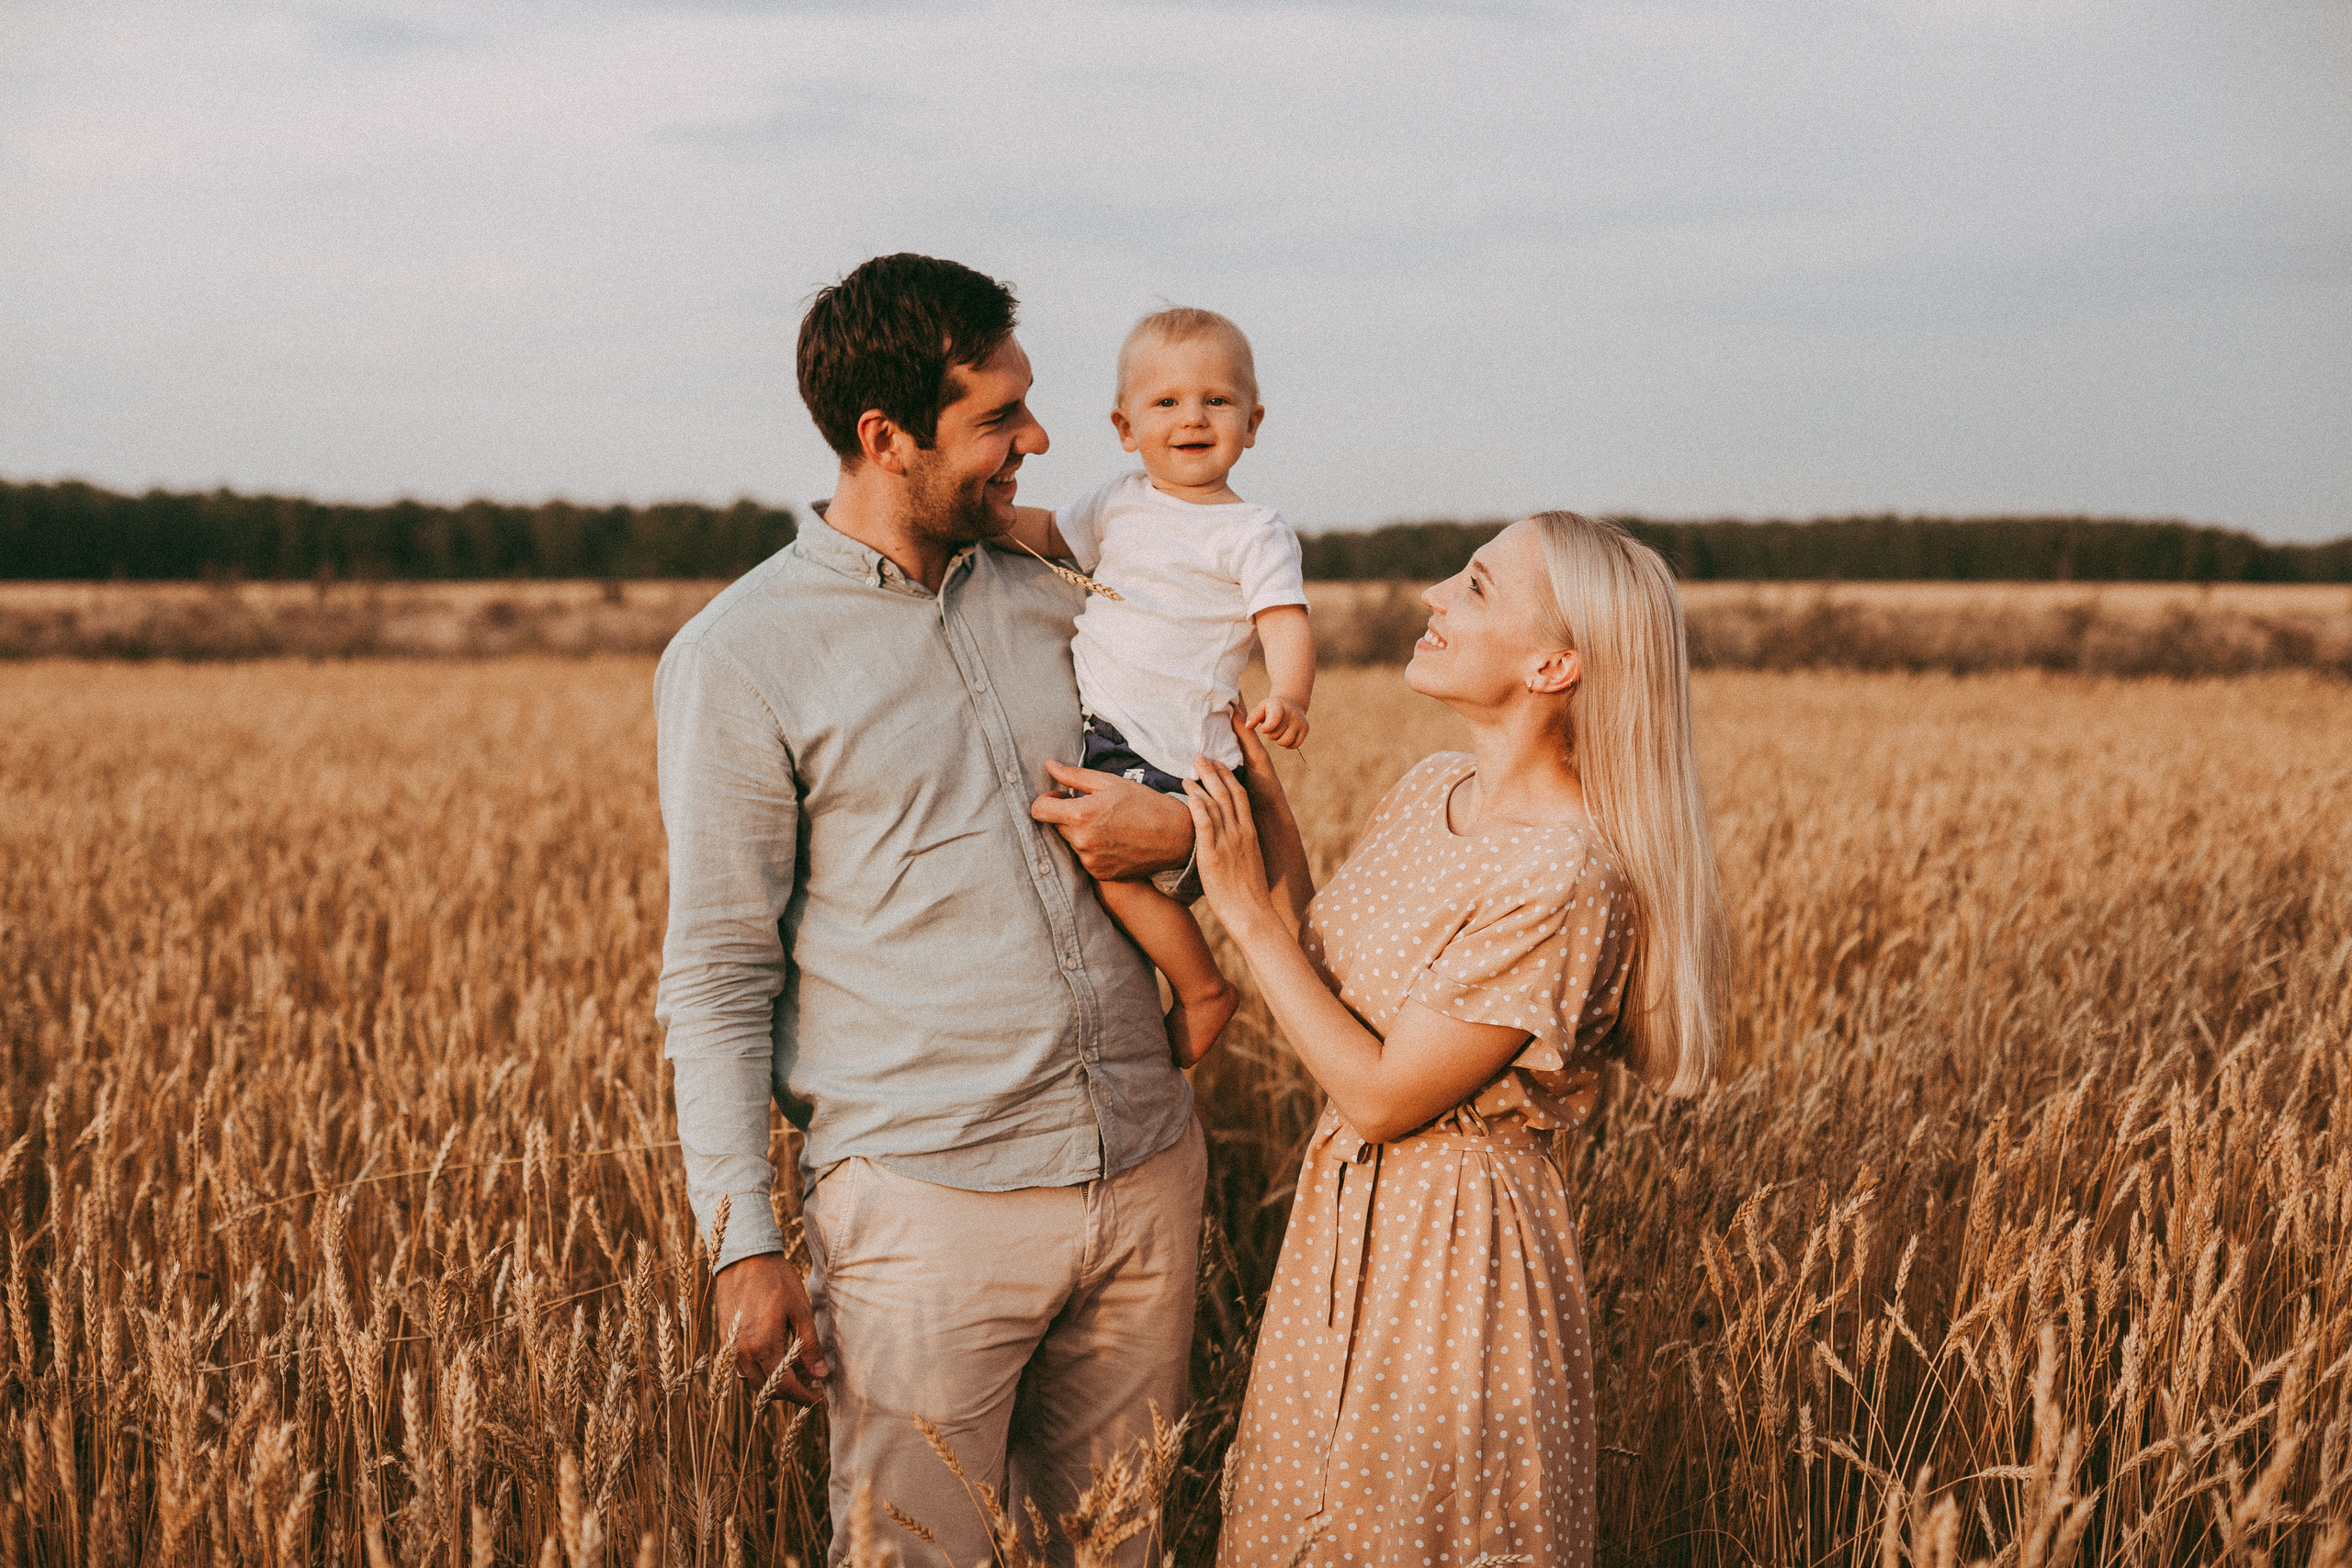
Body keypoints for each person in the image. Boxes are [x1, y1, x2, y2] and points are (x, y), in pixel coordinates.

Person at [652, 253, 1206, 1568]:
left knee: (1116, 1554)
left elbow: (1185, 803)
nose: (1040, 438)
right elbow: (720, 970)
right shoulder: (739, 655)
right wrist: (744, 1242)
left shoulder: (1069, 600)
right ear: (884, 437)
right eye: (998, 419)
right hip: (923, 1210)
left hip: (1146, 1171)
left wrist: (1180, 830)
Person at [1186, 513, 1731, 1567]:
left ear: (1553, 663)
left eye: (1475, 587)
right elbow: (1330, 976)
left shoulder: (1565, 873)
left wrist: (1242, 915)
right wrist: (1270, 824)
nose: (1434, 595)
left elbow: (1386, 1096)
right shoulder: (1433, 785)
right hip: (1340, 1230)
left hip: (1452, 1256)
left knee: (1416, 1535)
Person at [996, 307, 1315, 1068]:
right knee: (1103, 871)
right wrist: (986, 518)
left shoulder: (1253, 531)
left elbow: (1286, 622)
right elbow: (1047, 537)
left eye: (1217, 400)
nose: (1193, 417)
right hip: (1111, 731)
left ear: (1253, 421)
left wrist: (1292, 694)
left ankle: (1203, 988)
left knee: (1114, 874)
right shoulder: (1118, 500)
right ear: (1125, 425)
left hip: (1178, 752)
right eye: (1166, 402)